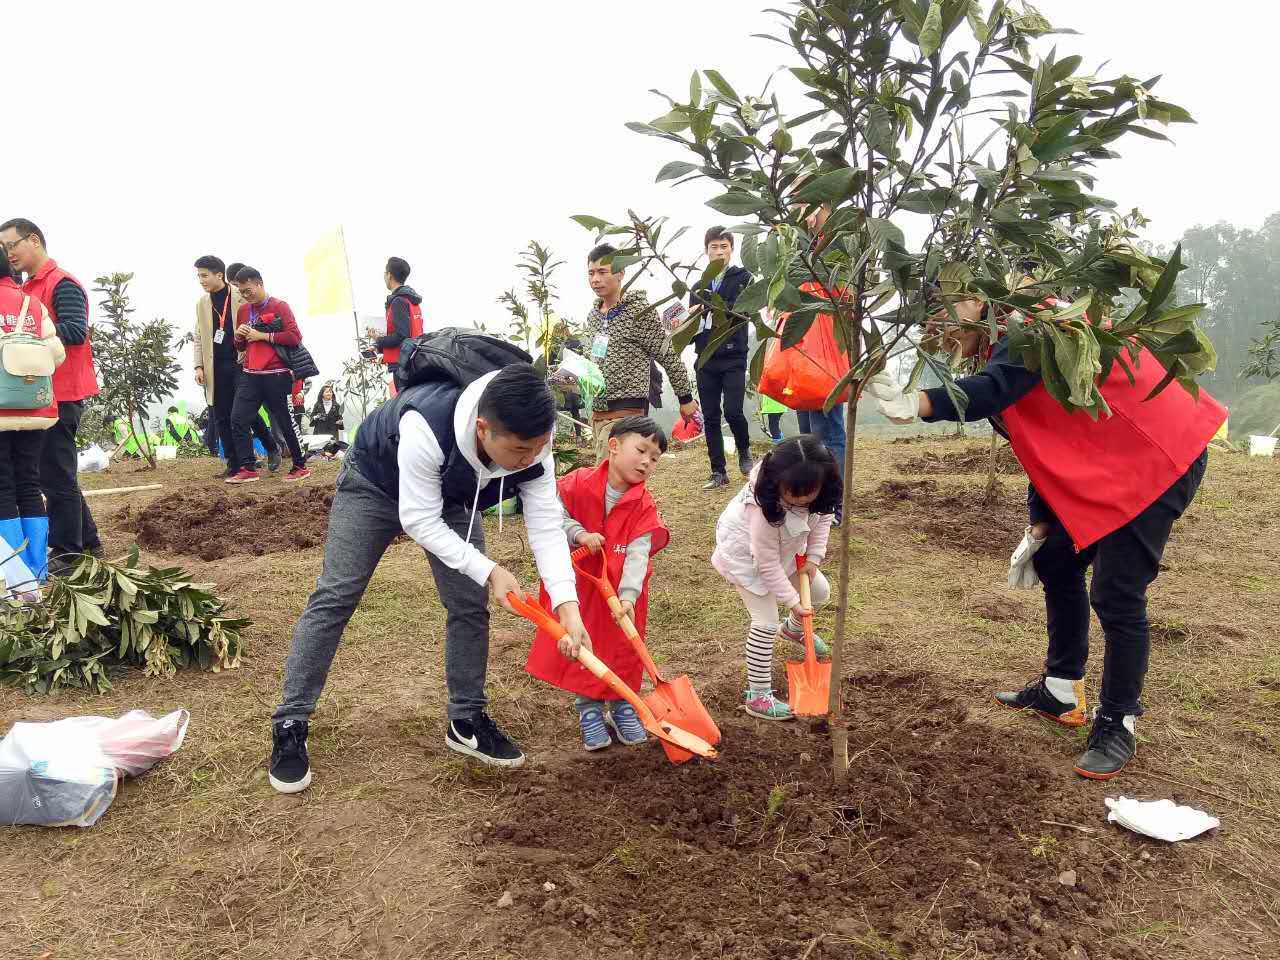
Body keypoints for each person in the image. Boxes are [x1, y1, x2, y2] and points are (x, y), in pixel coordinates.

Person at [865, 295, 1226, 779]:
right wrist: (1042, 519)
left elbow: (994, 391)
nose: (939, 329)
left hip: (1156, 457)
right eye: (929, 319)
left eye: (944, 311)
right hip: (1099, 462)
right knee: (1055, 560)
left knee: (1117, 594)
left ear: (977, 297)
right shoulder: (996, 342)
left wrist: (921, 404)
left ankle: (1118, 719)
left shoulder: (1032, 322)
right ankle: (1060, 689)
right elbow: (1040, 436)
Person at [266, 361, 592, 791]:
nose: (529, 460)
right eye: (518, 451)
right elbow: (419, 519)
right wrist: (490, 569)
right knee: (336, 595)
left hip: (453, 495)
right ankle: (291, 721)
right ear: (482, 429)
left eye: (538, 448)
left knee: (468, 604)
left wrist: (568, 605)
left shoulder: (534, 445)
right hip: (375, 484)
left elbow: (547, 526)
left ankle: (466, 719)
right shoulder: (427, 425)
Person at [525, 416, 670, 751]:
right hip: (580, 588)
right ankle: (588, 710)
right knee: (585, 646)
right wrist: (578, 533)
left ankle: (623, 706)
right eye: (642, 450)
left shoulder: (643, 504)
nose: (647, 461)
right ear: (614, 446)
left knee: (624, 649)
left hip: (622, 593)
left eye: (655, 458)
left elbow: (639, 551)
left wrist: (629, 596)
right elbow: (551, 515)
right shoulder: (576, 483)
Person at [711, 435, 840, 721]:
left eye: (810, 492)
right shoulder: (762, 508)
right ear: (776, 482)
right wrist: (791, 600)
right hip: (747, 559)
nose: (802, 499)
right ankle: (758, 696)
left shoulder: (819, 497)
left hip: (785, 549)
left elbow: (822, 521)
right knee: (766, 622)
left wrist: (814, 558)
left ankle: (794, 630)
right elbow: (766, 564)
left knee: (819, 592)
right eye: (794, 493)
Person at [0, 218, 102, 572]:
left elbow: (76, 330)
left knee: (55, 476)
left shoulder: (62, 284)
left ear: (34, 241)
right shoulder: (26, 288)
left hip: (62, 392)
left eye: (12, 245)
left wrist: (25, 330)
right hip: (36, 394)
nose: (8, 253)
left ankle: (67, 552)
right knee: (55, 474)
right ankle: (88, 541)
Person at [583, 244, 699, 463]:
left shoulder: (639, 313)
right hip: (598, 412)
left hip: (626, 410)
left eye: (602, 272)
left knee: (613, 478)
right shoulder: (594, 316)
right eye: (591, 273)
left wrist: (685, 398)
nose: (595, 279)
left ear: (620, 273)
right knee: (612, 481)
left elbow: (667, 353)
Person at [0, 255, 65, 596]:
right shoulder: (31, 302)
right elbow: (56, 354)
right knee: (28, 482)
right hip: (33, 407)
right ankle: (36, 573)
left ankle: (14, 578)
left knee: (2, 487)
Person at [192, 256, 280, 476]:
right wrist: (198, 366)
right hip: (215, 367)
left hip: (241, 363)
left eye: (204, 275)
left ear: (219, 275)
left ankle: (269, 448)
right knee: (221, 416)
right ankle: (233, 465)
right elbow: (199, 334)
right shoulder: (202, 303)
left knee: (243, 413)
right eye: (199, 276)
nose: (201, 280)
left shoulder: (240, 295)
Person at [227, 267, 310, 484]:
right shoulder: (243, 311)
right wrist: (238, 336)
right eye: (242, 291)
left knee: (284, 420)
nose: (245, 295)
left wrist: (263, 335)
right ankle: (248, 467)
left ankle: (300, 465)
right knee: (237, 418)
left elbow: (294, 336)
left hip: (276, 373)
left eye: (248, 290)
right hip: (250, 373)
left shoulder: (280, 306)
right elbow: (240, 345)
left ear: (260, 284)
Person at [690, 226, 755, 488]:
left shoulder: (744, 278)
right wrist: (686, 320)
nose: (718, 251)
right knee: (711, 416)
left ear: (731, 249)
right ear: (706, 251)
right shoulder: (697, 286)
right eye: (713, 247)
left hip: (733, 356)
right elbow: (690, 325)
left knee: (733, 411)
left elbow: (744, 310)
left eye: (723, 246)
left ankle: (744, 451)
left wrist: (712, 308)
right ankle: (718, 471)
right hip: (705, 358)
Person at [367, 257, 424, 394]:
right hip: (414, 359)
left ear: (389, 275)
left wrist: (378, 339)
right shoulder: (411, 300)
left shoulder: (398, 301)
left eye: (385, 273)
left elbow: (401, 336)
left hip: (403, 365)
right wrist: (378, 346)